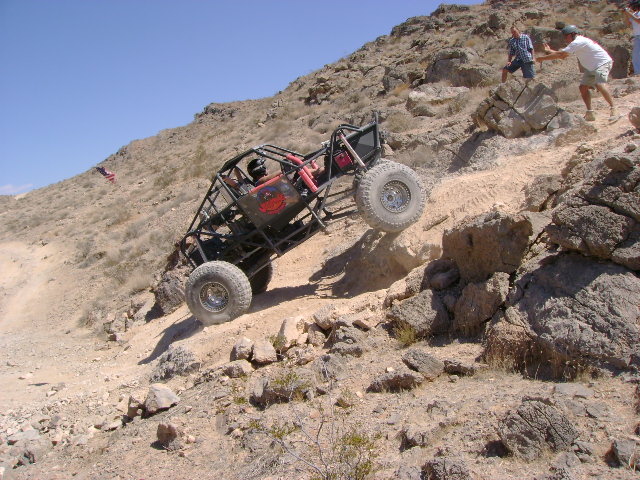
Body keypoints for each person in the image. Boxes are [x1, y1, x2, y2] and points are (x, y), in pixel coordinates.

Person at [537, 25, 617, 121]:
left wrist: (542, 58)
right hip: (591, 67)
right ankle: (590, 113)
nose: (565, 38)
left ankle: (614, 109)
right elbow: (564, 55)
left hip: (602, 63)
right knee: (583, 87)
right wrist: (550, 51)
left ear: (572, 34)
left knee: (600, 84)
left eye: (566, 36)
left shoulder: (578, 42)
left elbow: (561, 55)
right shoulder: (577, 42)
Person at [623, 0, 640, 75]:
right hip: (637, 36)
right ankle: (637, 72)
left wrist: (629, 13)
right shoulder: (634, 14)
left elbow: (638, 20)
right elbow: (627, 24)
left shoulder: (636, 14)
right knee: (635, 56)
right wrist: (626, 14)